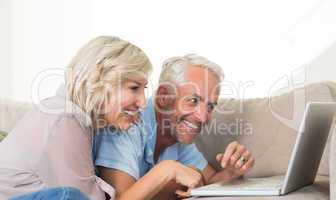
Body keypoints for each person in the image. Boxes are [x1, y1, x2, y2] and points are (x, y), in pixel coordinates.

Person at [0, 37, 204, 200]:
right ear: (99, 79)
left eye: (144, 90)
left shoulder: (78, 120)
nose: (143, 102)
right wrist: (166, 170)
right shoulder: (64, 119)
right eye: (133, 88)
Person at [94, 54, 256, 199]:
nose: (203, 117)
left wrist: (232, 172)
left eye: (210, 106)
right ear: (164, 97)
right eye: (193, 100)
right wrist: (168, 170)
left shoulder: (177, 134)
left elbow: (208, 182)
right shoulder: (127, 120)